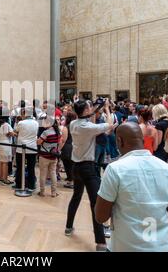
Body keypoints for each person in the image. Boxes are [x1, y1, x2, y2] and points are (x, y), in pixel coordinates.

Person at [95, 122, 168, 252]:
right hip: (162, 247)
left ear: (119, 141)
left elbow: (101, 216)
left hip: (125, 247)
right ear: (143, 140)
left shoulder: (115, 169)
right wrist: (156, 209)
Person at [65, 99, 113, 252]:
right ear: (85, 111)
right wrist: (106, 109)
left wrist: (95, 109)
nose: (91, 108)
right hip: (88, 168)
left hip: (76, 167)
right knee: (95, 203)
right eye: (89, 107)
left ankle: (68, 226)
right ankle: (101, 243)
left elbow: (88, 119)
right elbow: (110, 126)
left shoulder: (74, 123)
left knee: (76, 197)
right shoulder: (87, 127)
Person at [13, 106, 39, 191]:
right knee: (31, 168)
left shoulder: (21, 123)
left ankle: (19, 184)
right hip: (32, 148)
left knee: (20, 167)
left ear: (25, 113)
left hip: (21, 148)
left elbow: (15, 131)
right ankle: (31, 185)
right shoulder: (36, 123)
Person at [37, 115, 61, 197]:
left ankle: (42, 192)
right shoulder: (58, 132)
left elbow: (38, 142)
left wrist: (36, 139)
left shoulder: (46, 132)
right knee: (53, 173)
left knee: (43, 174)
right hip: (53, 156)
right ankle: (54, 192)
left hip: (44, 155)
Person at [59, 111, 77, 189]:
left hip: (67, 148)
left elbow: (63, 140)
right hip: (75, 147)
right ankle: (72, 180)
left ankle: (71, 181)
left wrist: (59, 149)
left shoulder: (67, 127)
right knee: (72, 165)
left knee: (68, 165)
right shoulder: (76, 126)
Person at [0, 115, 15, 185]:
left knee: (1, 161)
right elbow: (9, 133)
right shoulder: (6, 124)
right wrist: (15, 134)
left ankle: (1, 177)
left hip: (0, 142)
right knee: (5, 162)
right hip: (5, 143)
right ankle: (5, 179)